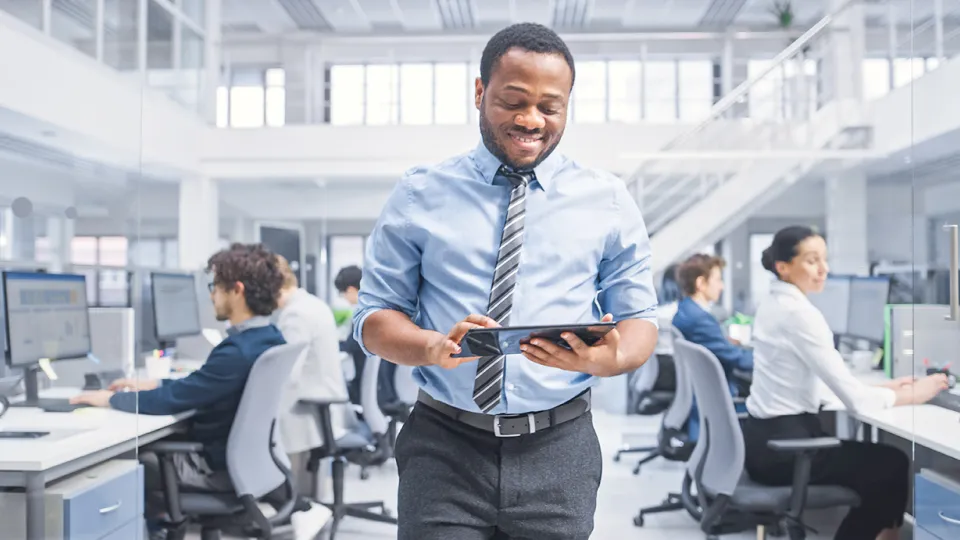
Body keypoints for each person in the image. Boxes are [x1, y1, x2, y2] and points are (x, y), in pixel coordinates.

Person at [354, 22, 659, 540]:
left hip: (559, 446)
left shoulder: (607, 198)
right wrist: (430, 346)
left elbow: (639, 319)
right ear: (479, 92)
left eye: (550, 106)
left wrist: (609, 358)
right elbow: (373, 317)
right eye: (513, 101)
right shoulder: (418, 193)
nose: (531, 120)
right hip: (443, 445)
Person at [742, 226, 949, 540]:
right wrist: (916, 394)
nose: (824, 269)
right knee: (890, 464)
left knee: (880, 464)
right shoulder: (799, 315)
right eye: (812, 261)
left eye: (824, 259)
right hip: (786, 451)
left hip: (764, 442)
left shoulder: (774, 304)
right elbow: (857, 404)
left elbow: (812, 384)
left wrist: (886, 388)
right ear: (783, 267)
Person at [70, 243, 287, 538]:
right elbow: (199, 386)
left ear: (236, 290)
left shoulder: (237, 351)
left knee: (131, 459)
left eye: (215, 286)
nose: (211, 295)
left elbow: (171, 401)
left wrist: (111, 399)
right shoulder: (268, 338)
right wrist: (154, 383)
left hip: (213, 469)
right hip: (245, 464)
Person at [273, 255, 344, 535]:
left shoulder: (295, 314)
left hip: (307, 411)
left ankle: (297, 508)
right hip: (322, 406)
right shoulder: (312, 304)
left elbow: (286, 373)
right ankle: (296, 506)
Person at [672, 254, 752, 440]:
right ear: (701, 283)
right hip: (719, 399)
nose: (721, 286)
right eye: (718, 279)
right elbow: (737, 359)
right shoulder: (700, 319)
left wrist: (725, 342)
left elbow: (717, 347)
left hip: (702, 397)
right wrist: (770, 359)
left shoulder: (687, 310)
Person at [335, 265, 368, 404]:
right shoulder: (371, 310)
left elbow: (348, 346)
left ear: (351, 290)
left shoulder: (363, 317)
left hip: (360, 389)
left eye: (342, 294)